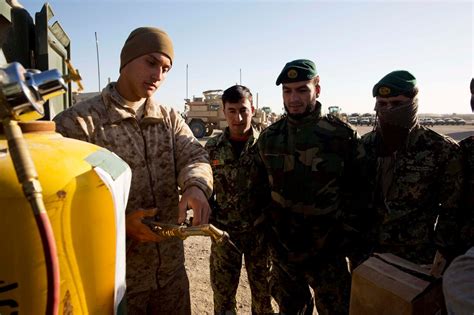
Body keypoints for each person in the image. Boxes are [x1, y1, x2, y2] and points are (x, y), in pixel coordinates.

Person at [54, 27, 213, 314]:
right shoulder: (78, 124)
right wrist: (119, 225)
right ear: (126, 61)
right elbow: (60, 203)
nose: (158, 76)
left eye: (166, 69)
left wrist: (195, 186)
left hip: (171, 279)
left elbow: (195, 155)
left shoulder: (168, 118)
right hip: (115, 283)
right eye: (151, 63)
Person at [257, 59, 361, 314]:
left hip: (328, 252)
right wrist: (270, 237)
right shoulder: (270, 138)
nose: (293, 98)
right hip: (285, 252)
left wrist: (345, 238)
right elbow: (259, 192)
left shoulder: (342, 137)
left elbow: (359, 194)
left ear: (317, 89)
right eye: (287, 91)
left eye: (302, 90)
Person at [359, 70, 464, 266]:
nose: (388, 110)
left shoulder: (441, 149)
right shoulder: (365, 145)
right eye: (382, 104)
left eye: (397, 104)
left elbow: (452, 209)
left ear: (413, 103)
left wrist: (442, 253)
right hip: (368, 253)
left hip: (415, 257)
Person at [205, 85, 274, 314]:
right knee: (223, 300)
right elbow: (205, 186)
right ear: (224, 111)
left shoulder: (266, 145)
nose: (238, 117)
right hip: (224, 237)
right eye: (232, 111)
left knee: (264, 301)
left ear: (252, 109)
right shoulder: (213, 148)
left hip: (260, 237)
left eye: (243, 110)